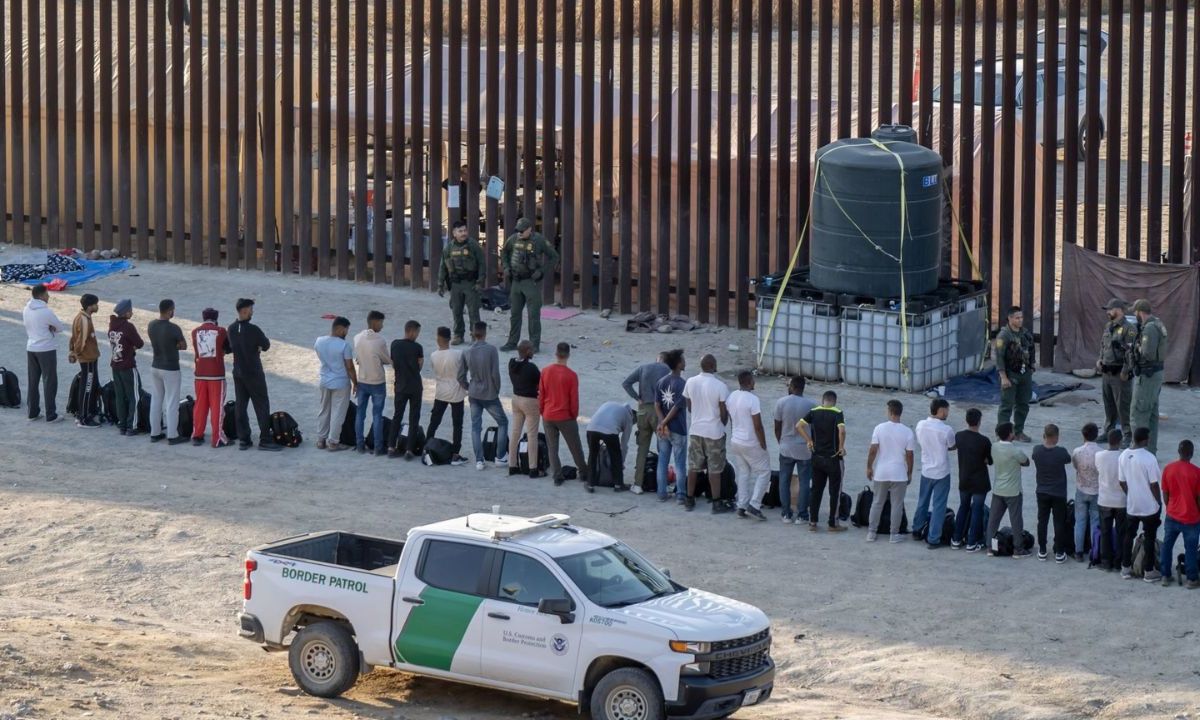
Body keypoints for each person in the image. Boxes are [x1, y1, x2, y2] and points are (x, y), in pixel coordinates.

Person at [227, 299, 281, 452]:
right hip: (254, 373)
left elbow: (229, 347)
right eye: (250, 309)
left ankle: (244, 439)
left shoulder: (231, 329)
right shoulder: (253, 330)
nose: (252, 312)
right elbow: (266, 345)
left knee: (241, 405)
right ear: (244, 310)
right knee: (261, 405)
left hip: (238, 372)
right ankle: (264, 439)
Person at [500, 217, 559, 353]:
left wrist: (541, 271)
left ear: (529, 229)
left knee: (533, 315)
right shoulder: (513, 239)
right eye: (518, 230)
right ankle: (512, 342)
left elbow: (554, 257)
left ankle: (534, 345)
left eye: (522, 231)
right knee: (515, 314)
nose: (520, 233)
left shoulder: (539, 240)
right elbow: (505, 252)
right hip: (516, 281)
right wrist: (506, 267)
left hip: (530, 282)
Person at [682, 354, 731, 513]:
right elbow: (724, 412)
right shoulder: (720, 386)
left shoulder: (690, 382)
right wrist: (721, 424)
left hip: (696, 430)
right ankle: (716, 502)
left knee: (693, 467)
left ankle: (689, 499)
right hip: (714, 432)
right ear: (712, 366)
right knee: (715, 469)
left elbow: (689, 406)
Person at [865, 399, 915, 543]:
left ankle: (871, 532)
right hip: (899, 473)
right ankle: (894, 534)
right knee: (897, 504)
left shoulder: (879, 428)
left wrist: (869, 466)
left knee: (877, 502)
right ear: (900, 413)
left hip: (881, 472)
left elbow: (873, 450)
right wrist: (909, 472)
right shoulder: (907, 431)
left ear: (890, 411)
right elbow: (910, 455)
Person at [797, 390, 847, 532]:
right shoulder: (837, 412)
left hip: (817, 457)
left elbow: (798, 426)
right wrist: (841, 447)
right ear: (834, 401)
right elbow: (842, 431)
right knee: (834, 491)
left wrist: (809, 440)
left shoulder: (814, 411)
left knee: (816, 490)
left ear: (822, 400)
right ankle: (833, 523)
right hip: (833, 458)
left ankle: (813, 522)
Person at [540, 342, 589, 486]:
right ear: (568, 355)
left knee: (552, 448)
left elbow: (541, 394)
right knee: (575, 446)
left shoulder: (545, 371)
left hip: (548, 414)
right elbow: (574, 399)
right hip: (565, 415)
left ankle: (557, 475)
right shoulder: (571, 375)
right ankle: (583, 472)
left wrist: (542, 410)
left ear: (556, 353)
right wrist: (573, 415)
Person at [622, 353, 671, 495]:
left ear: (657, 358)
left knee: (642, 448)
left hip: (643, 411)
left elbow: (626, 383)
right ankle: (663, 484)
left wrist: (637, 398)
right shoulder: (667, 370)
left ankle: (637, 484)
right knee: (663, 448)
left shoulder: (643, 368)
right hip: (659, 412)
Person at [1119, 427, 1163, 581]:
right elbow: (1154, 484)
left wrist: (1131, 494)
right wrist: (1158, 501)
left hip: (1132, 505)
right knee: (1150, 538)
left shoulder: (1123, 455)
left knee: (1128, 536)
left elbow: (1122, 481)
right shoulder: (1149, 458)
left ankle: (1125, 568)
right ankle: (1149, 571)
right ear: (1145, 440)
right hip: (1149, 507)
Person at [464, 321, 509, 471]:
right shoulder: (491, 350)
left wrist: (468, 387)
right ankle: (500, 456)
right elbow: (495, 374)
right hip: (489, 393)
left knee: (476, 427)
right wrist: (496, 389)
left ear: (473, 333)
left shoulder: (467, 351)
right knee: (502, 422)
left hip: (474, 392)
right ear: (485, 333)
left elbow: (460, 375)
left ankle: (479, 460)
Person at [727, 371, 771, 521]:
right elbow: (758, 425)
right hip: (750, 441)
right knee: (764, 472)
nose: (754, 383)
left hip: (736, 440)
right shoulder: (753, 399)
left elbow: (732, 420)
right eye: (753, 380)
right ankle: (755, 504)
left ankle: (742, 505)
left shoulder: (732, 396)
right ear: (748, 382)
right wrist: (763, 444)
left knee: (744, 473)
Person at [913, 398, 957, 548]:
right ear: (941, 410)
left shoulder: (920, 425)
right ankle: (933, 538)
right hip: (941, 472)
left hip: (926, 470)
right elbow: (952, 446)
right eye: (947, 410)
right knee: (939, 506)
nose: (947, 413)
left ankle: (917, 529)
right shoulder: (946, 430)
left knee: (922, 501)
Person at [985, 423, 1032, 558]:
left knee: (993, 520)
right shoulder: (1015, 450)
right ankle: (1018, 549)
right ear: (1010, 434)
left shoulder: (994, 446)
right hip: (1013, 491)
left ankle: (991, 547)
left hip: (998, 489)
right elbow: (1026, 462)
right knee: (1016, 520)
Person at [774, 375, 816, 524]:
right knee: (805, 482)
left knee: (784, 480)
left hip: (786, 446)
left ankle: (786, 513)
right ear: (803, 387)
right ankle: (802, 514)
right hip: (804, 448)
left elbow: (777, 426)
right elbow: (814, 429)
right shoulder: (811, 405)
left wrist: (781, 441)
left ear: (791, 386)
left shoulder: (781, 402)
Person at [1159, 440, 1200, 588]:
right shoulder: (1197, 472)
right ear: (1192, 453)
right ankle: (1191, 579)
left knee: (1167, 546)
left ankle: (1165, 575)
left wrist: (1170, 507)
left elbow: (1165, 492)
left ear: (1178, 451)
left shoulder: (1169, 469)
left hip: (1172, 515)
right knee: (1191, 549)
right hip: (1191, 518)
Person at [146, 299, 188, 444]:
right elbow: (183, 346)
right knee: (172, 402)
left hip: (155, 365)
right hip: (170, 367)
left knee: (156, 400)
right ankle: (172, 435)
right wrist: (176, 344)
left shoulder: (151, 325)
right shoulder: (174, 328)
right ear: (170, 310)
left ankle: (155, 432)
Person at [438, 219, 485, 345]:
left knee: (473, 311)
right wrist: (440, 284)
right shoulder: (448, 248)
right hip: (456, 284)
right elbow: (443, 266)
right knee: (456, 311)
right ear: (454, 233)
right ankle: (458, 335)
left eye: (465, 230)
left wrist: (480, 281)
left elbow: (482, 263)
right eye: (460, 231)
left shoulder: (473, 245)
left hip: (471, 283)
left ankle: (475, 336)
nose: (463, 233)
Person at [23, 284, 65, 423]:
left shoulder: (26, 309)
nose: (49, 296)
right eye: (47, 294)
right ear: (41, 295)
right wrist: (50, 328)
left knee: (33, 381)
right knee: (50, 381)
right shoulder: (46, 312)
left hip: (31, 347)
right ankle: (51, 414)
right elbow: (60, 327)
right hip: (46, 349)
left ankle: (32, 412)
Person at [1096, 298, 1135, 448]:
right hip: (1106, 372)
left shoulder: (1129, 329)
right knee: (1109, 404)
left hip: (1120, 374)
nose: (1107, 312)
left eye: (1110, 310)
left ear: (1118, 310)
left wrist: (1126, 371)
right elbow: (1103, 345)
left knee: (1123, 406)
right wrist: (1099, 359)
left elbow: (1130, 352)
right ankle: (1109, 430)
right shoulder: (1108, 326)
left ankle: (1127, 434)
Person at [1129, 299, 1167, 454]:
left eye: (1135, 312)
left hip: (1147, 376)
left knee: (1139, 413)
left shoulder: (1149, 328)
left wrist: (1135, 347)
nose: (1134, 315)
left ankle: (1138, 451)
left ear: (1140, 312)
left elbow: (1148, 354)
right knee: (1151, 414)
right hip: (1154, 375)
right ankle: (1149, 451)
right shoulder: (1157, 323)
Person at [427, 326, 469, 465]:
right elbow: (463, 371)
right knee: (457, 424)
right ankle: (456, 453)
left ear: (438, 339)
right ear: (449, 339)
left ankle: (427, 445)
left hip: (441, 391)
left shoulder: (433, 355)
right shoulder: (458, 353)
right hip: (456, 392)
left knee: (435, 421)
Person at [314, 316, 356, 452]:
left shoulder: (319, 341)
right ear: (340, 329)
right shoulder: (344, 346)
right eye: (346, 330)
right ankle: (333, 442)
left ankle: (321, 440)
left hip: (324, 380)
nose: (346, 333)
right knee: (338, 413)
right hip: (341, 382)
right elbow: (349, 367)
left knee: (324, 410)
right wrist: (355, 382)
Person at [191, 308, 231, 448]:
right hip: (216, 375)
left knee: (200, 406)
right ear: (216, 318)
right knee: (217, 407)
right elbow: (228, 348)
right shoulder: (221, 331)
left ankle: (197, 435)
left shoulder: (195, 332)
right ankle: (217, 438)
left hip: (200, 374)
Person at [953, 408, 992, 551]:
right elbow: (989, 460)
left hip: (964, 478)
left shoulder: (959, 436)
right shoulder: (984, 441)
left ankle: (956, 538)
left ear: (966, 420)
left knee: (963, 507)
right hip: (980, 481)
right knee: (977, 509)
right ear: (979, 421)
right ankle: (972, 541)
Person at [1032, 424, 1072, 563]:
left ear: (1044, 436)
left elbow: (1034, 456)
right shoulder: (1061, 452)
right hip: (1059, 493)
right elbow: (1068, 459)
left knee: (1042, 521)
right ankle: (1059, 552)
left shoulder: (1037, 450)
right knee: (1059, 522)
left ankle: (1042, 550)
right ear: (1056, 437)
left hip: (1042, 491)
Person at [353, 310, 391, 455]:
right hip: (377, 382)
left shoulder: (357, 338)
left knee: (360, 414)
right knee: (377, 415)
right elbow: (387, 360)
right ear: (375, 322)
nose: (382, 326)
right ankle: (377, 448)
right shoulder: (380, 340)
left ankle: (360, 445)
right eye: (381, 322)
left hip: (362, 380)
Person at [995, 306, 1035, 443]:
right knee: (1007, 405)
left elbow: (1031, 349)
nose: (1020, 320)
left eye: (1021, 317)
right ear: (1010, 318)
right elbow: (999, 357)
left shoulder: (1025, 333)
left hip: (1025, 374)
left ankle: (1018, 432)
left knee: (1023, 404)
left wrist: (1032, 366)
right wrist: (1003, 377)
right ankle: (1003, 433)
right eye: (1017, 318)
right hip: (1010, 374)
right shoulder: (1004, 335)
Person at [654, 350, 688, 503]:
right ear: (679, 364)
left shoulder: (661, 381)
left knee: (663, 460)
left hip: (663, 429)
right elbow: (676, 407)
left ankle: (661, 493)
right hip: (678, 428)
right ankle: (681, 495)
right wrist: (666, 422)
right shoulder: (682, 384)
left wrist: (661, 423)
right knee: (679, 462)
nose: (685, 362)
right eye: (683, 360)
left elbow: (657, 405)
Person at [387, 320, 425, 460]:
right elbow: (420, 365)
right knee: (414, 418)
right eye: (417, 333)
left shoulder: (395, 344)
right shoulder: (418, 347)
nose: (417, 335)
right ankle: (409, 449)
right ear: (412, 331)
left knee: (397, 416)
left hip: (400, 386)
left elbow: (393, 363)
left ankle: (391, 446)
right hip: (415, 386)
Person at [107, 299, 145, 436]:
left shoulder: (112, 325)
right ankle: (132, 426)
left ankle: (122, 424)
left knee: (120, 396)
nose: (132, 313)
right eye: (130, 311)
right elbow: (139, 343)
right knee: (134, 395)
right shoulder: (128, 326)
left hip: (115, 364)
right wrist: (132, 348)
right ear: (126, 312)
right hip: (128, 365)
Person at [508, 340, 543, 478]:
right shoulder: (531, 368)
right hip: (530, 401)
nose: (533, 351)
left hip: (516, 399)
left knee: (515, 433)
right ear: (528, 351)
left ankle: (512, 465)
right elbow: (540, 383)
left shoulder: (512, 363)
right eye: (532, 349)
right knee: (532, 434)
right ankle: (533, 468)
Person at [68, 293, 102, 428]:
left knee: (90, 386)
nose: (97, 306)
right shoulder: (84, 320)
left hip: (90, 358)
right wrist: (75, 354)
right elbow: (80, 341)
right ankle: (83, 418)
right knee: (87, 388)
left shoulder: (82, 317)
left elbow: (73, 338)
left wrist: (72, 351)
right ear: (89, 306)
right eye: (95, 304)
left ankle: (88, 412)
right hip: (87, 359)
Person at [1070, 423, 1103, 562]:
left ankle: (1078, 552)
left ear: (1083, 435)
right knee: (1095, 521)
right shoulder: (1101, 453)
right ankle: (1094, 551)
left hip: (1081, 489)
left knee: (1080, 521)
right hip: (1096, 490)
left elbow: (1075, 466)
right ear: (1096, 435)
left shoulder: (1077, 451)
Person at [586, 402, 636, 493]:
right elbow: (624, 445)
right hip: (610, 431)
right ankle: (618, 485)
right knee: (616, 457)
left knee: (592, 456)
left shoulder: (610, 405)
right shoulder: (629, 418)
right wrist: (621, 462)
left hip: (591, 428)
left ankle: (590, 484)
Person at [1095, 430, 1127, 571]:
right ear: (1120, 441)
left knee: (1105, 531)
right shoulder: (1123, 457)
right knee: (1121, 533)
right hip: (1121, 500)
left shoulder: (1099, 455)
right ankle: (1119, 562)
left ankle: (1106, 561)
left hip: (1105, 499)